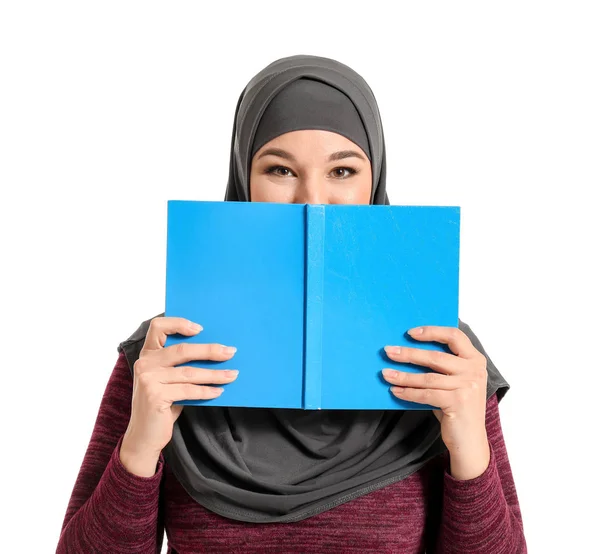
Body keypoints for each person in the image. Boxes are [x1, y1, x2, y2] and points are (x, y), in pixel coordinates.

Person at [57, 55, 527, 553]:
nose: (313, 199)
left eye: (343, 170)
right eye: (280, 169)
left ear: (374, 181)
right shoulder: (166, 352)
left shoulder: (443, 354)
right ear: (244, 178)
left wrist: (468, 449)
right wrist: (141, 445)